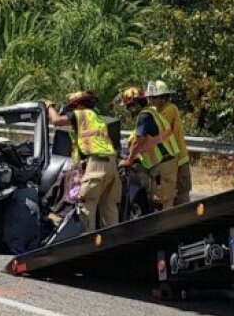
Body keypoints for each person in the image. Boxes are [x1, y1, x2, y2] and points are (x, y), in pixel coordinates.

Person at [47, 90, 120, 232]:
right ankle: (112, 242)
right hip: (111, 164)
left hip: (96, 164)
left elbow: (56, 121)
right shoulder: (97, 119)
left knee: (87, 205)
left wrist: (49, 106)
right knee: (109, 206)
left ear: (78, 105)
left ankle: (87, 244)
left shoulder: (81, 113)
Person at [121, 86, 181, 211]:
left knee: (161, 202)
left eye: (129, 107)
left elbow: (139, 141)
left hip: (162, 165)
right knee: (166, 201)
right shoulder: (153, 112)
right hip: (168, 162)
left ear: (135, 104)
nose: (129, 111)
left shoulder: (144, 116)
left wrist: (129, 160)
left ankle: (164, 228)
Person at [147, 80, 192, 206]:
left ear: (162, 98)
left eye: (153, 97)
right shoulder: (156, 111)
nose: (150, 101)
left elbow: (156, 128)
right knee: (166, 196)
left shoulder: (170, 109)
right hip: (166, 162)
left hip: (179, 160)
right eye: (150, 97)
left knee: (182, 196)